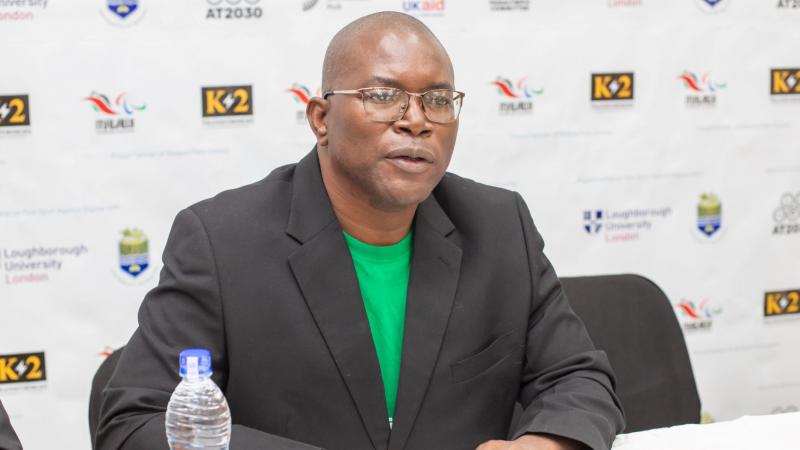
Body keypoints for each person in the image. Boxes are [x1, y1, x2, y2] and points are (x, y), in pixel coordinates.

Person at [96, 11, 624, 450]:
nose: (416, 120)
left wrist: (548, 444)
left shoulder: (498, 224)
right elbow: (134, 423)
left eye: (438, 100)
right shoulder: (221, 241)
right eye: (382, 95)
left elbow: (578, 377)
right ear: (322, 118)